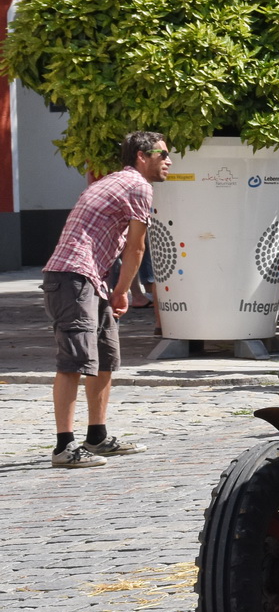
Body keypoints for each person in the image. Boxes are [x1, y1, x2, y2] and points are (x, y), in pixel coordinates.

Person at [41, 131, 171, 468]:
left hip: (88, 279)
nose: (168, 161)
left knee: (104, 359)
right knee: (73, 361)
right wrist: (124, 290)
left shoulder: (117, 181)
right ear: (142, 156)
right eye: (162, 154)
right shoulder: (139, 185)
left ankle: (96, 437)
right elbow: (136, 247)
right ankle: (64, 447)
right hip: (73, 277)